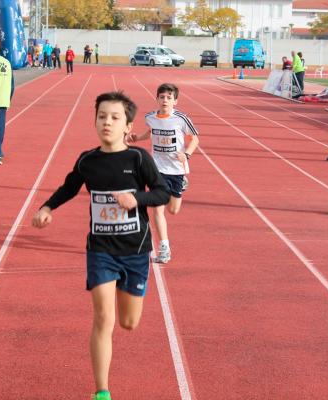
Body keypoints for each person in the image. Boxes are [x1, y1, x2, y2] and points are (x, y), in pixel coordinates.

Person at [31, 91, 169, 400]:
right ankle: (102, 391)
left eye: (115, 117)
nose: (107, 122)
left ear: (127, 126)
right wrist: (47, 208)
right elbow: (69, 186)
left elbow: (162, 193)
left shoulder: (138, 158)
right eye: (102, 116)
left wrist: (138, 198)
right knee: (103, 319)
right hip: (100, 251)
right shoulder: (88, 160)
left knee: (128, 323)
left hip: (135, 251)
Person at [125, 83, 199, 264]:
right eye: (162, 97)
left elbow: (195, 138)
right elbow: (151, 133)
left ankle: (182, 184)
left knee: (173, 210)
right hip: (157, 168)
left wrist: (187, 154)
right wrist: (137, 138)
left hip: (176, 169)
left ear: (175, 101)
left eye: (169, 97)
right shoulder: (150, 117)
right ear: (157, 99)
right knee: (157, 209)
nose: (165, 100)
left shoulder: (181, 119)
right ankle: (164, 248)